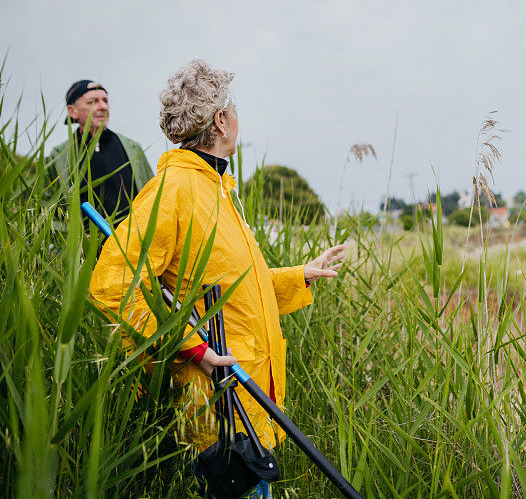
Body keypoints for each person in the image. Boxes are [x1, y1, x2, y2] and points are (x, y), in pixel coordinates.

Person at [88, 60, 344, 496]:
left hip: (253, 396)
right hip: (217, 404)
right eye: (234, 108)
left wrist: (297, 276)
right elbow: (112, 288)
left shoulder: (215, 188)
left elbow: (231, 284)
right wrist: (194, 349)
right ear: (221, 121)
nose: (238, 117)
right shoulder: (173, 190)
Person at [47, 79, 154, 224]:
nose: (103, 106)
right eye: (93, 102)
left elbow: (153, 197)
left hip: (134, 242)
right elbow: (45, 210)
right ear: (72, 111)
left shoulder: (133, 148)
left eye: (105, 100)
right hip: (86, 245)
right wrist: (75, 237)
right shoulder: (58, 156)